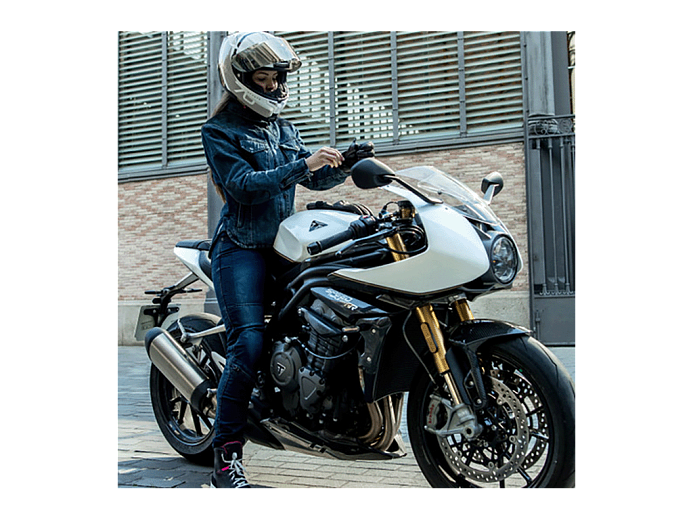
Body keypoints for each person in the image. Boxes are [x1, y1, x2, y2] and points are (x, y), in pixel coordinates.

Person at [202, 31, 374, 490]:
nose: (275, 87)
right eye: (265, 78)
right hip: (241, 248)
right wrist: (305, 164)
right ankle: (226, 459)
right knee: (248, 345)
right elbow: (243, 186)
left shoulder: (282, 127)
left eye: (278, 78)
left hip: (285, 247)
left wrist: (344, 162)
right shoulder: (219, 131)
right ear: (241, 81)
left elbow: (313, 181)